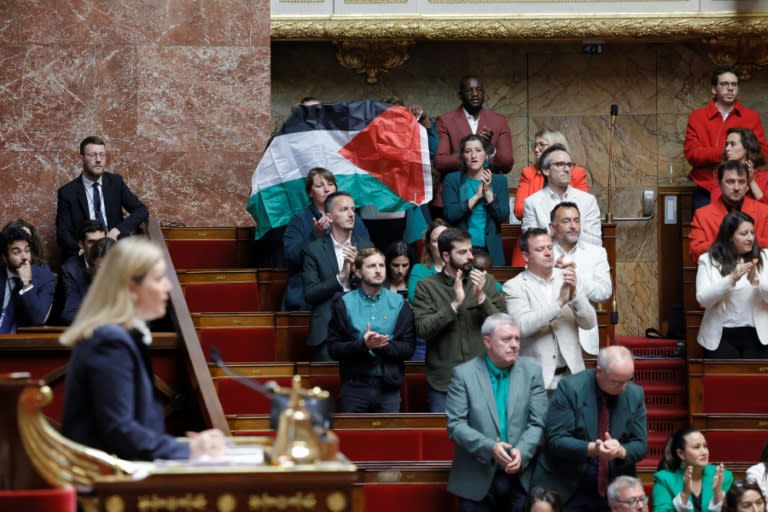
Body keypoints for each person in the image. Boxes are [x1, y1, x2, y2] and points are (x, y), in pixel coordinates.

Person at [60, 237, 225, 461]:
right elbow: (119, 431)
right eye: (158, 279)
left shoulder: (122, 334)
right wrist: (187, 450)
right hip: (106, 485)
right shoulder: (110, 341)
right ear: (131, 287)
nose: (168, 286)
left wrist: (181, 446)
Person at [446, 313, 548, 512]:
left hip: (520, 475)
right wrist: (490, 447)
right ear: (487, 341)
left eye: (517, 339)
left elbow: (538, 423)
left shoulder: (532, 373)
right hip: (476, 477)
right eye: (506, 339)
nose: (514, 345)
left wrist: (522, 451)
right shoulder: (464, 374)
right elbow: (455, 425)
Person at [533, 345, 648, 512]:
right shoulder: (571, 389)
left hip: (613, 486)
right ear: (599, 371)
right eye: (616, 382)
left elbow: (640, 444)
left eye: (628, 380)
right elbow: (556, 440)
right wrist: (593, 448)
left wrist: (621, 451)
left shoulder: (635, 394)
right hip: (568, 481)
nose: (623, 388)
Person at [412, 227, 505, 412]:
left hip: (483, 378)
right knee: (442, 440)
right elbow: (423, 329)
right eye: (462, 252)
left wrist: (481, 299)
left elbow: (502, 328)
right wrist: (454, 305)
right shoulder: (426, 287)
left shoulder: (485, 281)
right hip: (444, 382)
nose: (470, 256)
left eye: (470, 250)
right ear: (446, 256)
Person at [503, 228, 597, 391]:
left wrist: (575, 297)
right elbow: (521, 327)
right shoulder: (514, 286)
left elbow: (589, 323)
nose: (547, 253)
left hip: (573, 376)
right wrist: (559, 303)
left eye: (549, 247)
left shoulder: (568, 276)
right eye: (540, 249)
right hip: (536, 381)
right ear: (525, 256)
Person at [327, 248, 416, 413]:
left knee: (388, 437)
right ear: (359, 272)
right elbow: (333, 348)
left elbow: (408, 347)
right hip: (354, 387)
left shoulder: (400, 303)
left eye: (381, 266)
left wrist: (383, 345)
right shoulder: (343, 303)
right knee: (353, 438)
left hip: (388, 388)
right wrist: (363, 345)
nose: (378, 270)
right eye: (371, 266)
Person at [283, 167, 370, 311]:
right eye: (319, 186)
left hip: (351, 289)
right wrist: (314, 235)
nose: (327, 189)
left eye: (330, 184)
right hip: (313, 293)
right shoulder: (299, 219)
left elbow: (368, 251)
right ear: (310, 193)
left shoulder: (352, 218)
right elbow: (291, 256)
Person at [685, 66, 768, 209]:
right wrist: (726, 153)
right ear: (714, 89)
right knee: (706, 228)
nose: (730, 88)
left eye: (734, 84)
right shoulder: (697, 117)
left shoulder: (751, 117)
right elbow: (692, 154)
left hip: (741, 189)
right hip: (706, 188)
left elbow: (762, 153)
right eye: (724, 84)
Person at [303, 191, 374, 361]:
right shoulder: (314, 249)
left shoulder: (366, 246)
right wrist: (341, 276)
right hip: (327, 332)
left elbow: (376, 290)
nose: (351, 214)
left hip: (361, 329)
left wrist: (359, 271)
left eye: (353, 209)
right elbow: (310, 295)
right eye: (344, 209)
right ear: (329, 216)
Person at [56, 136, 148, 258]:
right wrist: (82, 251)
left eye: (102, 155)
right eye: (93, 155)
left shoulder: (115, 182)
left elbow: (141, 210)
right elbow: (62, 233)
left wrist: (117, 230)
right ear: (81, 159)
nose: (98, 160)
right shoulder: (67, 192)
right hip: (85, 255)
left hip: (115, 251)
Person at [695, 211, 768, 358]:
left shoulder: (765, 257)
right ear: (729, 237)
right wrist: (731, 278)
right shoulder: (708, 260)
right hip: (721, 336)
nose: (750, 238)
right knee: (724, 380)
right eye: (743, 233)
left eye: (752, 232)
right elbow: (703, 299)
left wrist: (757, 281)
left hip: (758, 336)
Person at [550, 202, 612, 352]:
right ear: (553, 227)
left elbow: (605, 292)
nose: (573, 226)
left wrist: (578, 280)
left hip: (585, 336)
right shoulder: (542, 252)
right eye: (566, 221)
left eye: (576, 221)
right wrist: (554, 272)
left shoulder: (597, 253)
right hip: (551, 333)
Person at [443, 134, 511, 266]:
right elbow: (450, 214)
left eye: (478, 151)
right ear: (463, 156)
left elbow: (503, 215)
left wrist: (488, 193)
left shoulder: (499, 180)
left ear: (486, 155)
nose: (473, 156)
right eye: (468, 151)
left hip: (491, 250)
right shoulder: (453, 179)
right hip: (461, 250)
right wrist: (476, 197)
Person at [522, 144, 602, 249]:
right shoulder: (532, 202)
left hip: (581, 262)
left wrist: (558, 233)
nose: (567, 169)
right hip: (549, 262)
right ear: (546, 170)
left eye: (569, 165)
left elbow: (596, 242)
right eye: (560, 164)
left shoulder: (587, 200)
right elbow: (531, 243)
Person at [689, 160, 768, 264]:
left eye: (741, 182)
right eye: (730, 182)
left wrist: (740, 240)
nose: (736, 188)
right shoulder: (702, 214)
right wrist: (728, 241)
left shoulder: (763, 210)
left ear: (747, 185)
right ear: (720, 184)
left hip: (756, 273)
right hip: (719, 274)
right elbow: (694, 253)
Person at [434, 75, 515, 176]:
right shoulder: (445, 121)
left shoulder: (499, 121)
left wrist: (489, 148)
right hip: (457, 187)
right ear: (460, 95)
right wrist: (472, 154)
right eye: (469, 90)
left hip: (489, 187)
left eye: (479, 90)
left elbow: (507, 164)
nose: (475, 94)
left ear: (484, 93)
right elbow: (440, 163)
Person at [514, 128, 590, 221]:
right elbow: (519, 211)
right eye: (535, 145)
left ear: (556, 147)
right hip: (537, 230)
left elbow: (583, 207)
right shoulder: (528, 173)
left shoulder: (577, 173)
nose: (536, 150)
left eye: (541, 145)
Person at [652, 427, 733, 512]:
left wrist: (718, 494)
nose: (704, 452)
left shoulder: (723, 477)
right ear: (681, 453)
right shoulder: (664, 480)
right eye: (697, 447)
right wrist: (684, 495)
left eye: (705, 446)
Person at [0, 225, 56, 333]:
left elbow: (38, 319)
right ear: (4, 257)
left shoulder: (45, 278)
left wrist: (26, 283)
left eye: (27, 250)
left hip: (22, 343)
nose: (24, 257)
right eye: (16, 252)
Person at [58, 220, 106, 325]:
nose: (97, 247)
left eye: (101, 241)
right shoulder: (70, 270)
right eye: (91, 242)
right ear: (81, 244)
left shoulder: (118, 265)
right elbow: (69, 314)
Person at [713, 128, 768, 204]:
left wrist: (751, 181)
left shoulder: (764, 176)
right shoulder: (722, 172)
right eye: (727, 144)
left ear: (746, 147)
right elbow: (716, 205)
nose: (727, 148)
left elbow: (765, 208)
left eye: (733, 144)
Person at [407, 218, 449, 302]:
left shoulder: (463, 267)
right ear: (429, 245)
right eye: (436, 240)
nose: (441, 243)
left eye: (446, 239)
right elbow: (414, 298)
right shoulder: (419, 269)